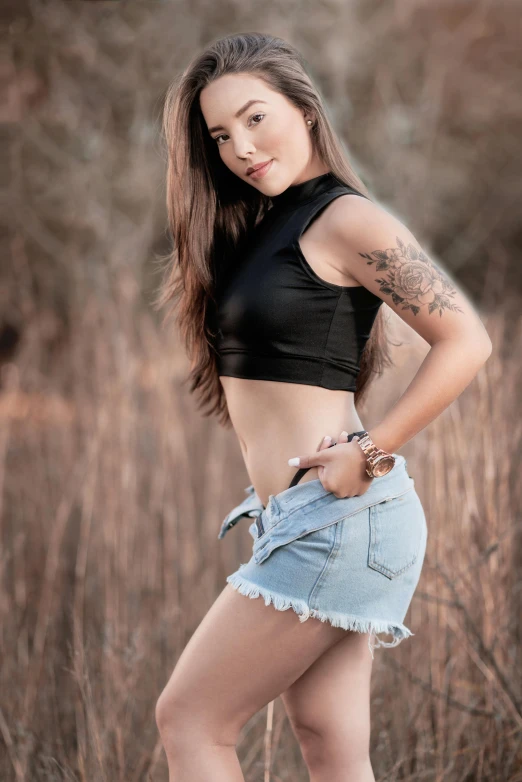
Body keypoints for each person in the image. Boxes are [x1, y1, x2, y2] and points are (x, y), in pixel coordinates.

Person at [154, 31, 492, 782]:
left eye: (255, 118)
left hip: (340, 517)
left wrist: (369, 452)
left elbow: (466, 340)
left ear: (304, 109)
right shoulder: (268, 225)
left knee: (192, 720)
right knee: (329, 743)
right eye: (220, 136)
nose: (241, 147)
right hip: (308, 520)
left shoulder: (344, 219)